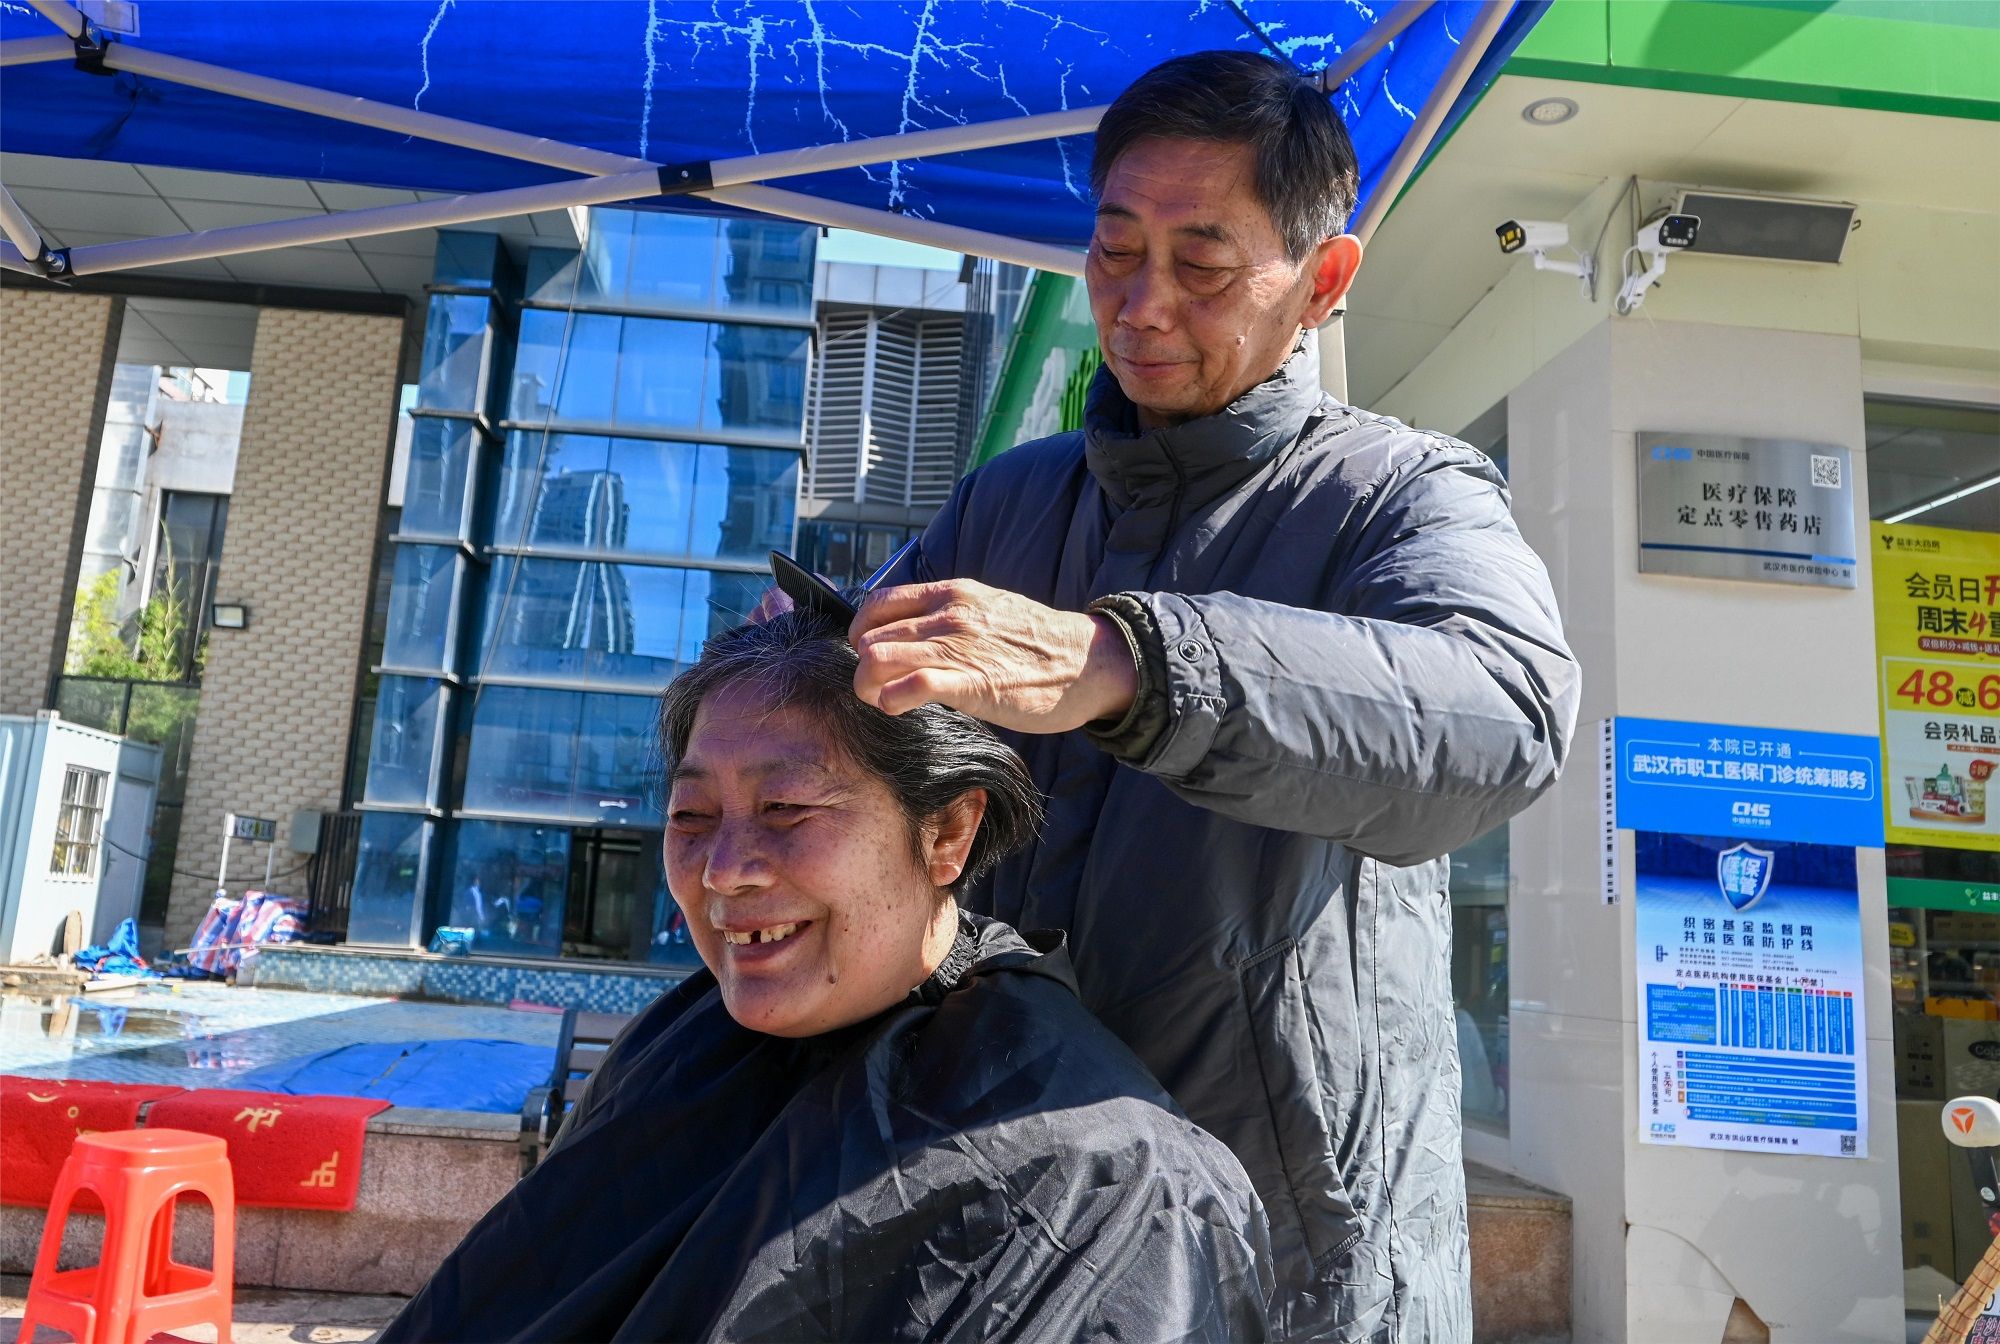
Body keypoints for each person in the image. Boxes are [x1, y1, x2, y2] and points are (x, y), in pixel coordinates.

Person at [843, 51, 1582, 1342]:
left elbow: (1506, 713)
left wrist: (1131, 665)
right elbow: (866, 697)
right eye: (1115, 249)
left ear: (1322, 282)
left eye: (1202, 265)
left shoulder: (1404, 492)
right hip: (1001, 1215)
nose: (1140, 305)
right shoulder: (1008, 499)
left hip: (1281, 1258)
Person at [380, 610, 1274, 1343]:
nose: (725, 870)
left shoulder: (1111, 1177)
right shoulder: (680, 1043)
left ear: (947, 833)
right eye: (691, 815)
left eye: (786, 808)